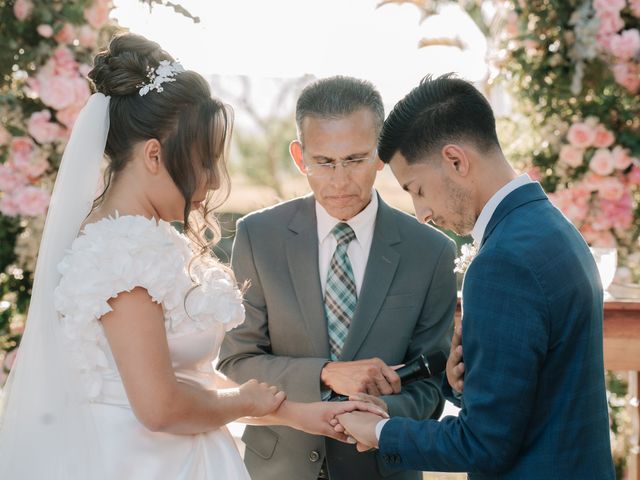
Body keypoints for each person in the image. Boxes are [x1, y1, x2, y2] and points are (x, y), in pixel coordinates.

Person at [0, 34, 386, 479]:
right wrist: (245, 401)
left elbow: (193, 387)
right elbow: (161, 407)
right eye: (204, 162)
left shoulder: (147, 241)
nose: (212, 181)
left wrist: (296, 413)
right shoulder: (121, 255)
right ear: (153, 155)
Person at [333, 74, 616, 479]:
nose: (421, 213)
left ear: (455, 160)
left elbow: (483, 445)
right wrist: (463, 384)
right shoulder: (551, 225)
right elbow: (541, 392)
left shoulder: (502, 262)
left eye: (417, 189)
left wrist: (379, 431)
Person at [217, 76, 457, 480]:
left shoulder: (431, 251)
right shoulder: (258, 237)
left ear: (381, 154)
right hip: (278, 470)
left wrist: (376, 417)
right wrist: (324, 373)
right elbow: (237, 361)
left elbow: (433, 384)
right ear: (299, 156)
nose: (340, 180)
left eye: (356, 159)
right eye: (324, 162)